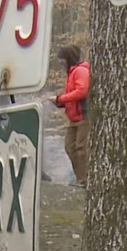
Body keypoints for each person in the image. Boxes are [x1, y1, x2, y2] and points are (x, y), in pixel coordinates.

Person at [54, 45, 91, 189]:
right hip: (73, 119)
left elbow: (82, 91)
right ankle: (80, 177)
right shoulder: (71, 73)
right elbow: (72, 96)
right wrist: (59, 102)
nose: (61, 63)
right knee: (70, 147)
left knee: (81, 150)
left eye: (62, 60)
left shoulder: (80, 71)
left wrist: (61, 98)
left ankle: (84, 180)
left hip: (83, 117)